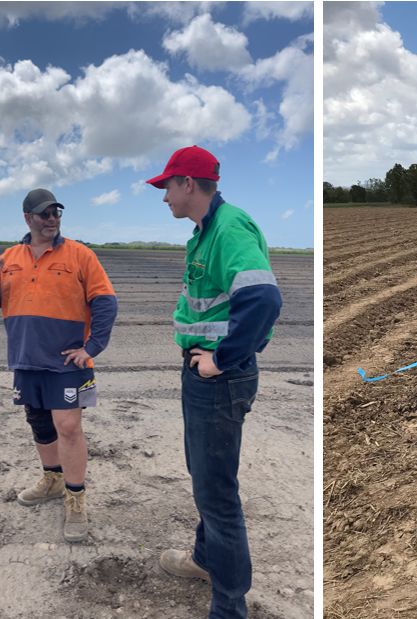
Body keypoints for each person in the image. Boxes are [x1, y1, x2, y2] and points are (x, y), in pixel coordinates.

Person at [146, 145, 282, 619]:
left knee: (217, 494)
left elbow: (263, 297)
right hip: (204, 376)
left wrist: (222, 359)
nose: (163, 197)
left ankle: (229, 607)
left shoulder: (228, 228)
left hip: (219, 380)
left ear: (188, 184)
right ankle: (206, 560)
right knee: (206, 479)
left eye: (167, 187)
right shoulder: (205, 232)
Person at [1, 188, 117, 543]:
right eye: (43, 214)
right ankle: (52, 479)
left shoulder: (80, 255)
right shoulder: (9, 257)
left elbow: (106, 303)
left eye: (56, 213)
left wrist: (91, 347)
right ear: (27, 218)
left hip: (68, 361)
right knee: (38, 421)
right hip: (26, 359)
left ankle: (75, 496)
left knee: (67, 426)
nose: (51, 219)